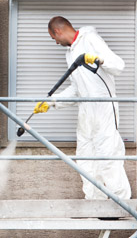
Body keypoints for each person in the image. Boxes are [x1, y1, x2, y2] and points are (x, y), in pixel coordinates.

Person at [34, 16, 131, 200]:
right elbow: (77, 89)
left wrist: (99, 60)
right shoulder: (70, 54)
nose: (55, 43)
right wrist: (52, 101)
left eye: (53, 38)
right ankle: (96, 204)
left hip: (103, 109)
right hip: (86, 113)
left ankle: (122, 204)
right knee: (85, 159)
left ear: (58, 31)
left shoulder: (90, 39)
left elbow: (118, 65)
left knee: (108, 157)